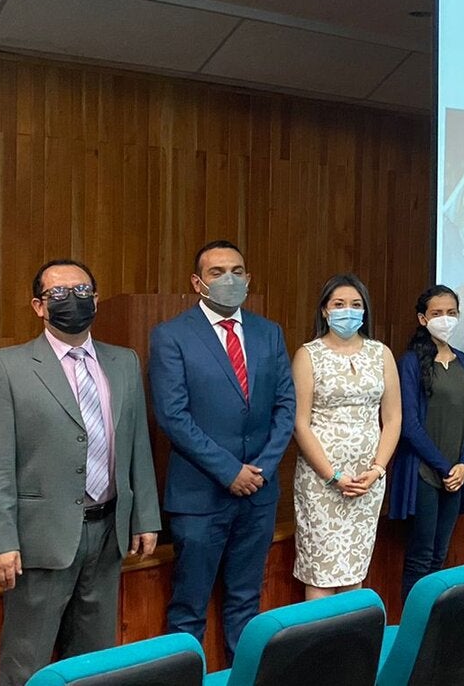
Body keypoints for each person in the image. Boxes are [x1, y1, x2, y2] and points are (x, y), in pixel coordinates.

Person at [0, 259, 161, 686]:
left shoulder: (124, 361)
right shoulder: (7, 367)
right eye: (58, 293)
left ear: (95, 299)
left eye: (81, 291)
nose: (71, 300)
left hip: (108, 531)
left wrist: (145, 515)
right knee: (27, 659)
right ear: (39, 306)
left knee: (95, 661)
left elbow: (136, 445)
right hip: (42, 536)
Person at [149, 240, 295, 661]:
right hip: (200, 496)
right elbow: (173, 416)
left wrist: (262, 469)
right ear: (198, 283)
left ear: (248, 279)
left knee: (245, 606)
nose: (228, 279)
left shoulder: (269, 332)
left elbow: (286, 405)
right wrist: (230, 470)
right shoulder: (172, 335)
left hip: (259, 495)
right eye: (217, 272)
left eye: (237, 270)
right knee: (188, 611)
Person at [291, 273, 402, 599]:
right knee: (321, 572)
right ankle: (320, 647)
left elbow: (393, 418)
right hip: (322, 481)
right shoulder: (308, 354)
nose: (347, 311)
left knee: (354, 570)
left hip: (368, 479)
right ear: (325, 310)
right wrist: (333, 475)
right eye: (339, 304)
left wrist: (378, 469)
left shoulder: (380, 353)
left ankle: (352, 647)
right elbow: (300, 423)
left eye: (356, 305)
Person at [390, 284, 464, 601]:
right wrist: (444, 467)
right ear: (422, 318)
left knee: (440, 556)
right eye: (437, 313)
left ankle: (433, 630)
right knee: (420, 558)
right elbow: (409, 425)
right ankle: (413, 633)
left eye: (451, 313)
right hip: (425, 472)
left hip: (457, 475)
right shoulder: (411, 362)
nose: (445, 319)